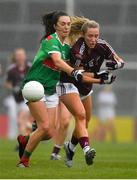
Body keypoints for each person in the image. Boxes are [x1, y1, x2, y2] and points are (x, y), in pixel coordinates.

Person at [17, 11, 103, 168]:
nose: (66, 26)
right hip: (35, 86)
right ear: (55, 26)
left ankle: (25, 139)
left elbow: (75, 69)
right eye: (62, 24)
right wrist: (73, 72)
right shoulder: (51, 41)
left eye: (68, 24)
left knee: (48, 133)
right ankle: (24, 162)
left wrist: (98, 77)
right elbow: (57, 62)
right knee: (44, 126)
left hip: (51, 90)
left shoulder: (66, 47)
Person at [51, 18, 124, 167]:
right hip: (69, 84)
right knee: (81, 116)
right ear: (83, 35)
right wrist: (100, 79)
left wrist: (116, 64)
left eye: (96, 35)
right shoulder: (78, 50)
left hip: (85, 89)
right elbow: (79, 76)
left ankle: (70, 148)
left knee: (85, 122)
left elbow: (120, 61)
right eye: (90, 36)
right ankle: (86, 150)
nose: (94, 39)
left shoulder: (103, 45)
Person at [3, 48, 32, 140]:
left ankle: (22, 142)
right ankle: (34, 130)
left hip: (27, 99)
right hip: (16, 100)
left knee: (21, 119)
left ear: (25, 56)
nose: (20, 57)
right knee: (22, 122)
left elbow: (35, 80)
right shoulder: (11, 70)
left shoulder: (29, 67)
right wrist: (13, 88)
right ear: (15, 57)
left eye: (22, 55)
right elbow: (7, 83)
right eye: (18, 55)